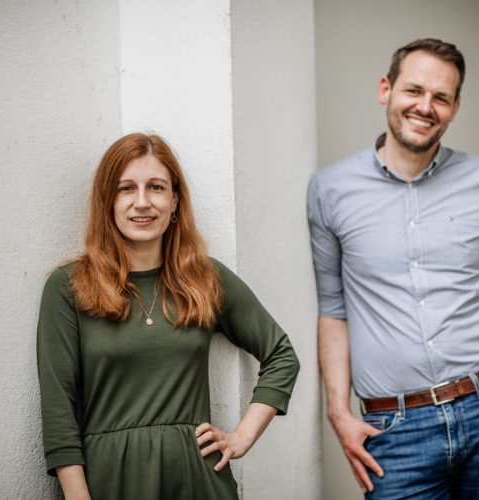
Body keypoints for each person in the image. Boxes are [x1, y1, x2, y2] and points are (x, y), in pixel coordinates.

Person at [307, 38, 479, 499]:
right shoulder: (330, 191)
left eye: (441, 97)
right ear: (385, 89)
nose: (425, 106)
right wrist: (337, 410)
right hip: (395, 430)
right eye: (414, 90)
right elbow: (334, 309)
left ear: (454, 108)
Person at [37, 132, 300, 499]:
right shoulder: (69, 287)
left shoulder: (205, 279)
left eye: (156, 187)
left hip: (198, 481)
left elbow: (281, 354)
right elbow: (59, 412)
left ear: (174, 200)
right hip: (110, 481)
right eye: (126, 188)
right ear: (107, 201)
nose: (142, 202)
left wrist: (242, 437)